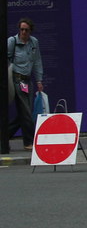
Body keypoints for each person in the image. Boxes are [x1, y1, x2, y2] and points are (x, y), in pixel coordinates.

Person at [3, 17, 44, 154]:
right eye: (21, 29)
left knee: (25, 113)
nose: (24, 32)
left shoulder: (34, 43)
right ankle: (28, 142)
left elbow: (37, 61)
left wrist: (39, 80)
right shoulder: (12, 41)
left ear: (30, 30)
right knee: (25, 111)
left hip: (27, 80)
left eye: (26, 30)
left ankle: (4, 137)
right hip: (15, 78)